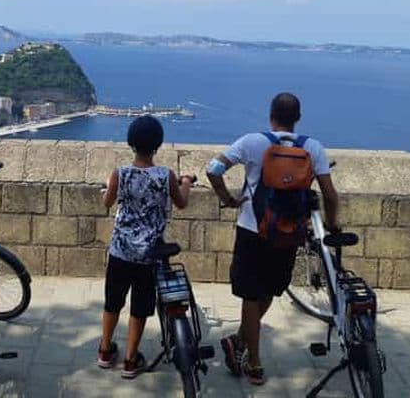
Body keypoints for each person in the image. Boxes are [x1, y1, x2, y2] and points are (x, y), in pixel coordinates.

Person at [205, 92, 340, 386]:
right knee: (270, 290)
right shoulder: (313, 148)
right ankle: (242, 346)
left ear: (271, 116)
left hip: (252, 229)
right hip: (289, 231)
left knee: (250, 295)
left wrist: (228, 198)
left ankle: (252, 360)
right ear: (298, 119)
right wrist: (331, 225)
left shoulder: (252, 142)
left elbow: (213, 169)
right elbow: (329, 195)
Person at [97, 115, 194, 378]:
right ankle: (130, 360)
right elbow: (182, 203)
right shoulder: (165, 175)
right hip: (148, 255)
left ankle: (105, 351)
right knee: (140, 307)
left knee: (113, 302)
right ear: (157, 145)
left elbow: (107, 202)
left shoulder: (121, 173)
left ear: (131, 143)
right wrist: (185, 183)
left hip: (120, 252)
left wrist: (110, 187)